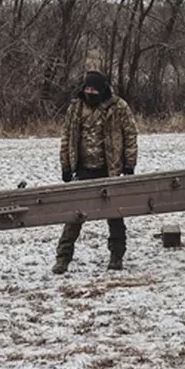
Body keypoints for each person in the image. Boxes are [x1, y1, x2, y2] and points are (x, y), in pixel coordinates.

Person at [52, 71, 139, 273]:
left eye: (94, 89)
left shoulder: (118, 107)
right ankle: (63, 258)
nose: (90, 93)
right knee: (74, 217)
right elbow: (66, 137)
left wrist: (129, 164)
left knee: (115, 215)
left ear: (103, 90)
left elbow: (130, 135)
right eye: (87, 89)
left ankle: (116, 256)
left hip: (110, 170)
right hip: (83, 170)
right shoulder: (76, 108)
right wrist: (66, 166)